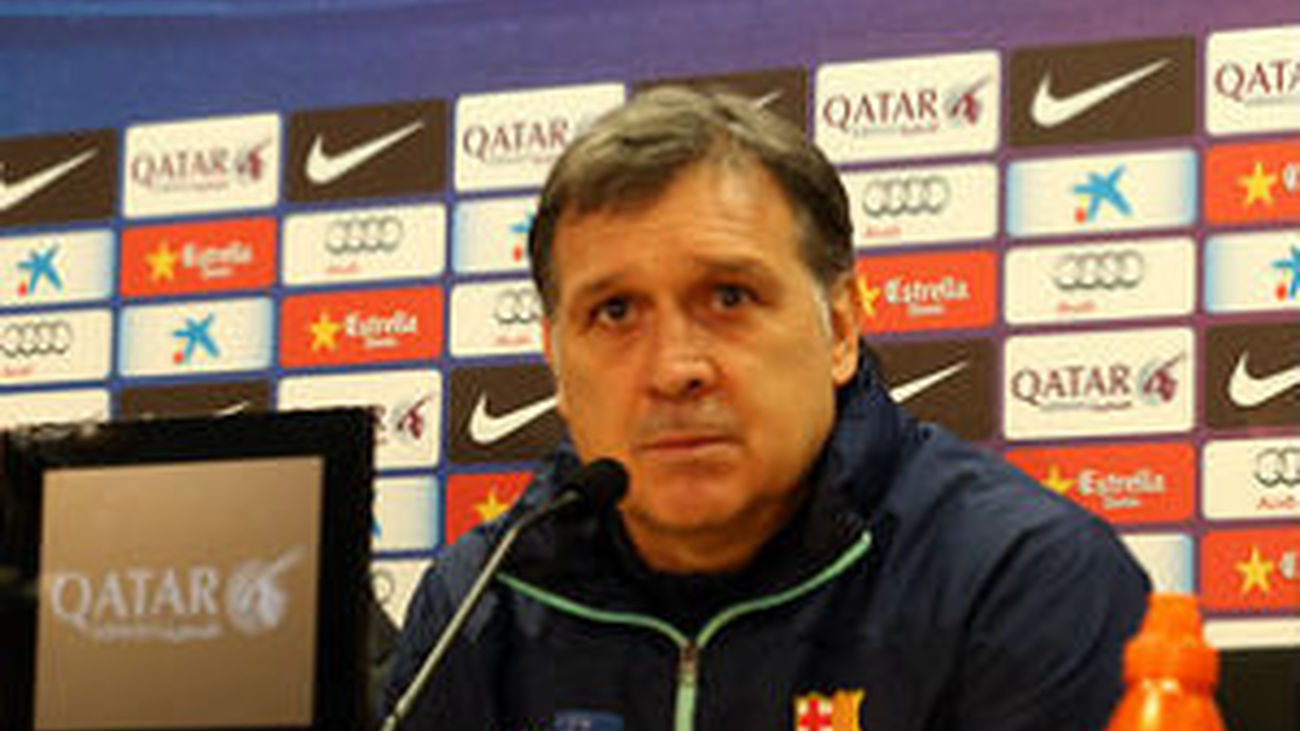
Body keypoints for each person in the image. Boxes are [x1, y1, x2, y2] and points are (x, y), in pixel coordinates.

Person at [383, 87, 1150, 731]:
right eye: (615, 312)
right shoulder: (481, 601)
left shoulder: (1021, 580)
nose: (674, 369)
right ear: (555, 355)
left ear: (840, 328)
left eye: (729, 297)